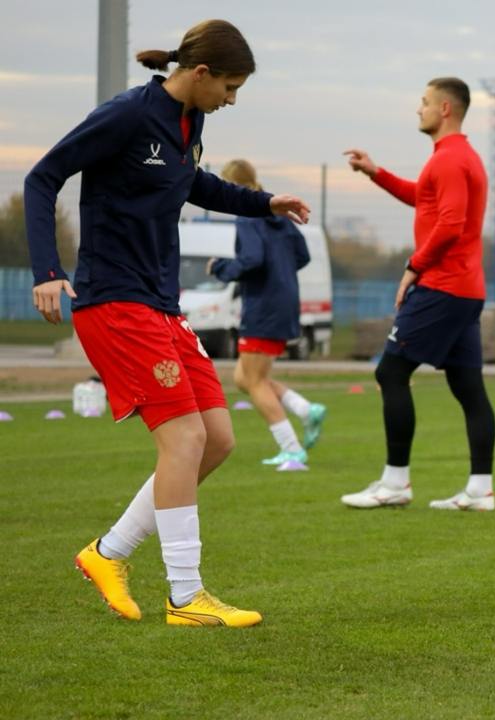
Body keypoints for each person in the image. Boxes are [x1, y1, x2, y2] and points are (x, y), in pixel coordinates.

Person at [26, 19, 310, 626]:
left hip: (161, 302)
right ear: (200, 73)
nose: (231, 100)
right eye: (229, 87)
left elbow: (193, 184)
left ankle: (108, 554)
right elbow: (42, 176)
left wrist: (265, 202)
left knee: (219, 439)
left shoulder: (191, 121)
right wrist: (47, 270)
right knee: (182, 439)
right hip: (114, 301)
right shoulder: (128, 114)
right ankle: (186, 597)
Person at [340, 76, 495, 511]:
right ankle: (480, 489)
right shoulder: (456, 158)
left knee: (390, 373)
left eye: (425, 102)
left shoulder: (449, 159)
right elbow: (424, 199)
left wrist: (414, 268)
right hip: (465, 290)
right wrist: (376, 173)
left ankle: (395, 484)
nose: (419, 109)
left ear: (445, 109)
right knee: (468, 387)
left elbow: (449, 224)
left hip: (443, 288)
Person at [208, 159, 327, 468]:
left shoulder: (248, 216)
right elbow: (302, 255)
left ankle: (291, 448)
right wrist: (281, 273)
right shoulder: (279, 213)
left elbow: (251, 259)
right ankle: (305, 409)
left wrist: (219, 268)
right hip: (286, 301)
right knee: (244, 378)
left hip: (262, 305)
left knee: (253, 380)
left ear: (231, 185)